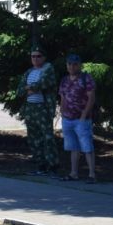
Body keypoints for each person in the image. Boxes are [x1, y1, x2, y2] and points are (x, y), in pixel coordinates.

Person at [16, 45, 59, 175]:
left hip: (43, 108)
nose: (35, 58)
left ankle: (52, 166)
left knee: (47, 138)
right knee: (34, 138)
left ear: (44, 58)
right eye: (33, 56)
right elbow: (19, 91)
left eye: (38, 56)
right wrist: (29, 88)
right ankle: (41, 166)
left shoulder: (48, 69)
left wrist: (30, 88)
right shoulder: (29, 72)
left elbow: (43, 84)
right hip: (30, 108)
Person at [57, 54, 97, 182]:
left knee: (87, 147)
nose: (72, 66)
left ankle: (92, 175)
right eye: (69, 64)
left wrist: (84, 114)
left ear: (79, 65)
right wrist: (62, 112)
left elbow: (91, 98)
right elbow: (62, 97)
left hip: (82, 119)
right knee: (73, 147)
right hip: (67, 119)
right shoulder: (64, 80)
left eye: (75, 64)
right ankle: (73, 173)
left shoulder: (86, 78)